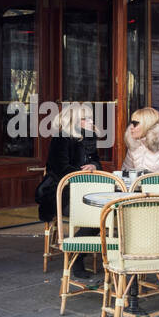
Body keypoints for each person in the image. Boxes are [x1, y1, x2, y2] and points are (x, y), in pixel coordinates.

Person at [37, 103, 101, 276]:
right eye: (85, 118)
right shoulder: (61, 139)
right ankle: (77, 257)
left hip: (84, 191)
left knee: (103, 214)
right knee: (94, 216)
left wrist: (93, 166)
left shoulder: (89, 138)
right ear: (72, 121)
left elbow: (97, 162)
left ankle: (76, 253)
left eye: (90, 117)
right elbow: (61, 169)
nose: (90, 121)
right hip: (60, 193)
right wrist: (83, 174)